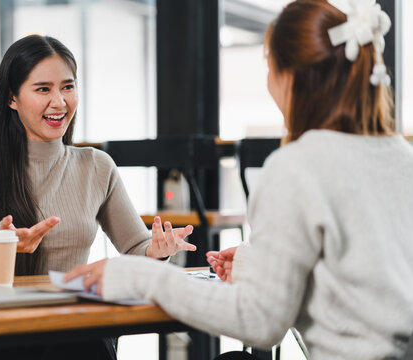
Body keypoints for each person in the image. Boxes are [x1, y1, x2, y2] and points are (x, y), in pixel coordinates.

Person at [65, 1, 413, 359]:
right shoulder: (402, 156)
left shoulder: (295, 167)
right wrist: (258, 265)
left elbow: (261, 324)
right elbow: (366, 275)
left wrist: (140, 277)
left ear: (288, 75)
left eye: (268, 65)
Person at [0, 35, 195, 359]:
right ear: (12, 98)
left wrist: (156, 251)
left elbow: (136, 247)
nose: (59, 101)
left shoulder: (96, 166)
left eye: (68, 87)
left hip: (72, 331)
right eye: (43, 89)